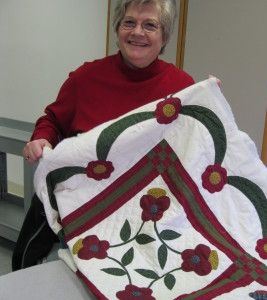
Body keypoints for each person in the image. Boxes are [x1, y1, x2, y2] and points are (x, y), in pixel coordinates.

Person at [15, 0, 220, 270]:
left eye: (150, 25)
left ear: (164, 36)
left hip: (148, 218)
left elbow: (199, 149)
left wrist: (209, 105)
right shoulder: (86, 78)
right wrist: (42, 138)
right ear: (117, 29)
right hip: (85, 214)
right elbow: (52, 120)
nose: (137, 32)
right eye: (129, 22)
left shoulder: (182, 88)